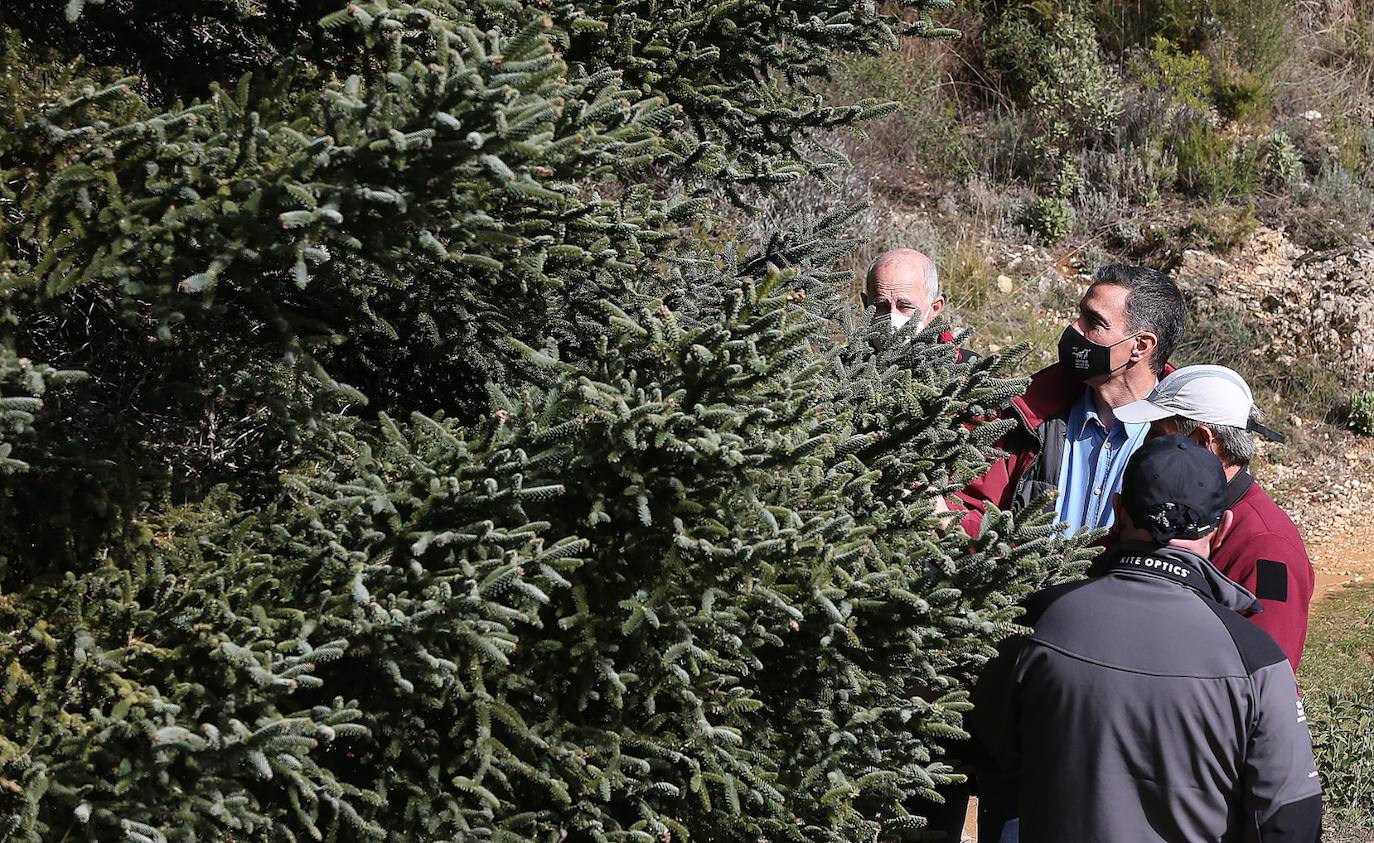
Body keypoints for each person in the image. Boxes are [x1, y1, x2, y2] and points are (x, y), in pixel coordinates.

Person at [972, 436, 1323, 843]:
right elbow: (1291, 818)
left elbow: (990, 748)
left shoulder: (1035, 621)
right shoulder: (1256, 659)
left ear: (1118, 511)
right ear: (1223, 528)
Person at [952, 263, 1185, 537]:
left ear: (1141, 346)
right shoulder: (1029, 416)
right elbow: (973, 506)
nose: (1075, 328)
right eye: (1080, 315)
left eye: (1094, 322)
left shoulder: (1184, 442)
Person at [1114, 365, 1314, 672]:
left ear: (1202, 441)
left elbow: (1267, 676)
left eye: (1155, 436)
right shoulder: (1163, 513)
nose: (1143, 449)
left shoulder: (1269, 548)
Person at [862, 248, 975, 363]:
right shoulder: (845, 368)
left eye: (905, 306)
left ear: (935, 308)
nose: (892, 317)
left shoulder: (972, 371)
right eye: (881, 305)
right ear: (866, 305)